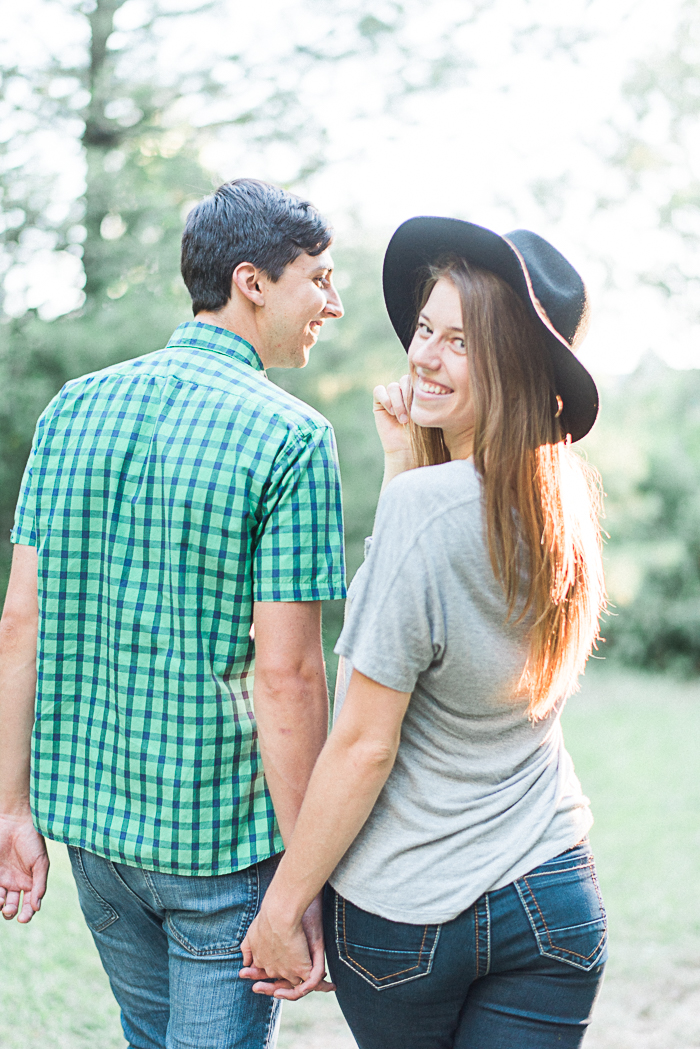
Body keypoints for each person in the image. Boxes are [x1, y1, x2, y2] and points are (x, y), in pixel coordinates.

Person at [239, 216, 608, 1048]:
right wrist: (410, 463)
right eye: (425, 331)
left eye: (461, 343)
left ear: (513, 364)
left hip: (410, 920)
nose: (423, 356)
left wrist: (282, 906)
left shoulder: (421, 509)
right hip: (552, 897)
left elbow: (365, 743)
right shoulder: (565, 509)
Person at [0, 178, 346, 1049]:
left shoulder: (72, 409)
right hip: (217, 849)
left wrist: (11, 807)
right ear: (252, 281)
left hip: (94, 837)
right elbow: (290, 674)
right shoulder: (290, 437)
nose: (332, 304)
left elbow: (20, 625)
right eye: (319, 278)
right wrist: (302, 881)